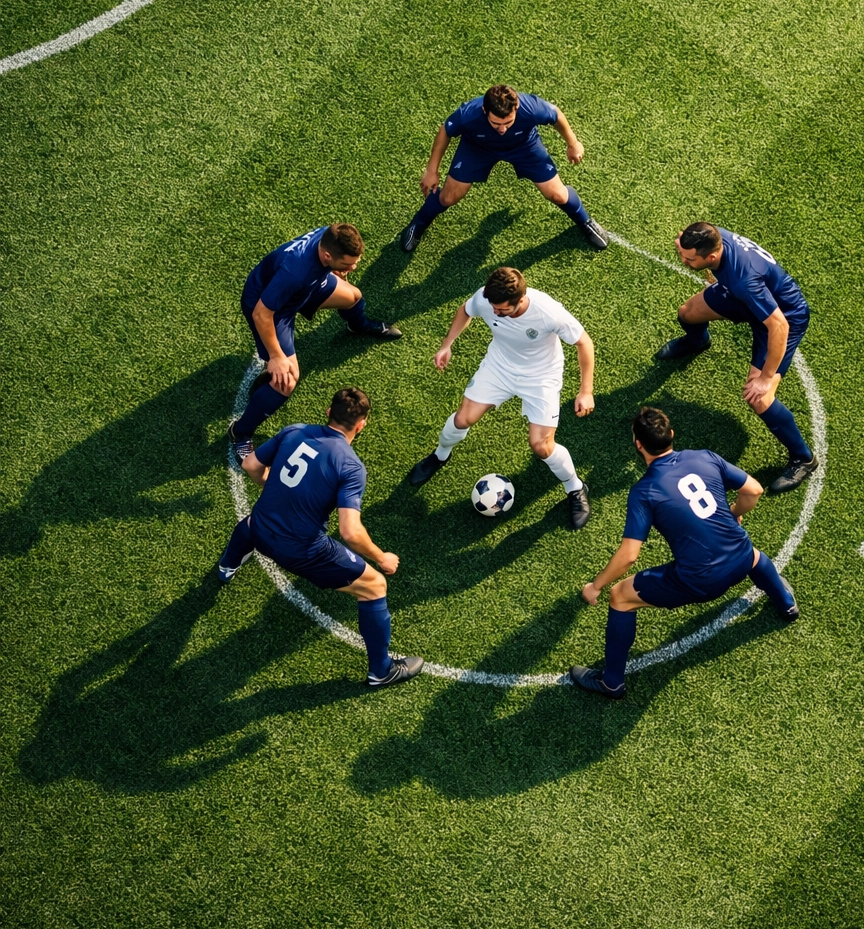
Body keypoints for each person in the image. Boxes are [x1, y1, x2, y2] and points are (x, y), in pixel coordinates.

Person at [570, 407, 799, 699]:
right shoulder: (704, 456)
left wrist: (595, 586)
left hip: (699, 581)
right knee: (751, 553)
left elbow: (629, 555)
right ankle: (786, 604)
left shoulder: (645, 491)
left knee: (620, 597)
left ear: (637, 444)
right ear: (672, 435)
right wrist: (734, 513)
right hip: (741, 560)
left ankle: (611, 682)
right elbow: (753, 490)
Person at [219, 387, 423, 689]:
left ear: (328, 413)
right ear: (361, 424)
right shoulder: (351, 466)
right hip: (302, 551)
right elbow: (350, 532)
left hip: (260, 529)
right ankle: (381, 671)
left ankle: (226, 567)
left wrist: (272, 486)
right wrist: (382, 558)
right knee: (375, 586)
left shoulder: (295, 431)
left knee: (253, 520)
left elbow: (250, 464)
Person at [406, 266, 595, 530]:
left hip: (540, 377)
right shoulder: (486, 298)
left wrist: (585, 391)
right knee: (462, 419)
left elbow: (584, 342)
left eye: (503, 309)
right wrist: (447, 344)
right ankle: (439, 455)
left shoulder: (548, 312)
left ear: (521, 299)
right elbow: (465, 310)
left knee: (541, 446)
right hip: (499, 366)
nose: (496, 312)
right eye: (493, 307)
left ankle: (575, 487)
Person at [656, 222, 817, 493]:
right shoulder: (710, 237)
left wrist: (765, 379)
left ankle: (804, 458)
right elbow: (692, 236)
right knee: (688, 312)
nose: (683, 260)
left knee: (760, 399)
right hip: (743, 298)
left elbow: (779, 327)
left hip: (782, 316)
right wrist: (685, 244)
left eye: (688, 258)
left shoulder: (745, 279)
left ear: (712, 257)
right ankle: (698, 341)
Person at [228, 223, 401, 461]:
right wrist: (277, 357)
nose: (353, 267)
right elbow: (261, 314)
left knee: (353, 296)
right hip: (273, 309)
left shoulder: (331, 235)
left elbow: (332, 258)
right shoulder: (295, 272)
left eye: (355, 261)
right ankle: (240, 433)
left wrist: (337, 269)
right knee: (285, 381)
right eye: (347, 263)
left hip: (308, 286)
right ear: (328, 256)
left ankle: (357, 325)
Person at [399, 84, 608, 253]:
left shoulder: (530, 107)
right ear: (484, 110)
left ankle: (585, 222)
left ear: (516, 109)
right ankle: (418, 224)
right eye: (496, 123)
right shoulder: (470, 113)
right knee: (448, 197)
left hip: (524, 147)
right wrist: (432, 169)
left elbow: (555, 114)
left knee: (558, 195)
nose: (502, 129)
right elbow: (446, 130)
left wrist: (573, 143)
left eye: (508, 122)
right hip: (477, 148)